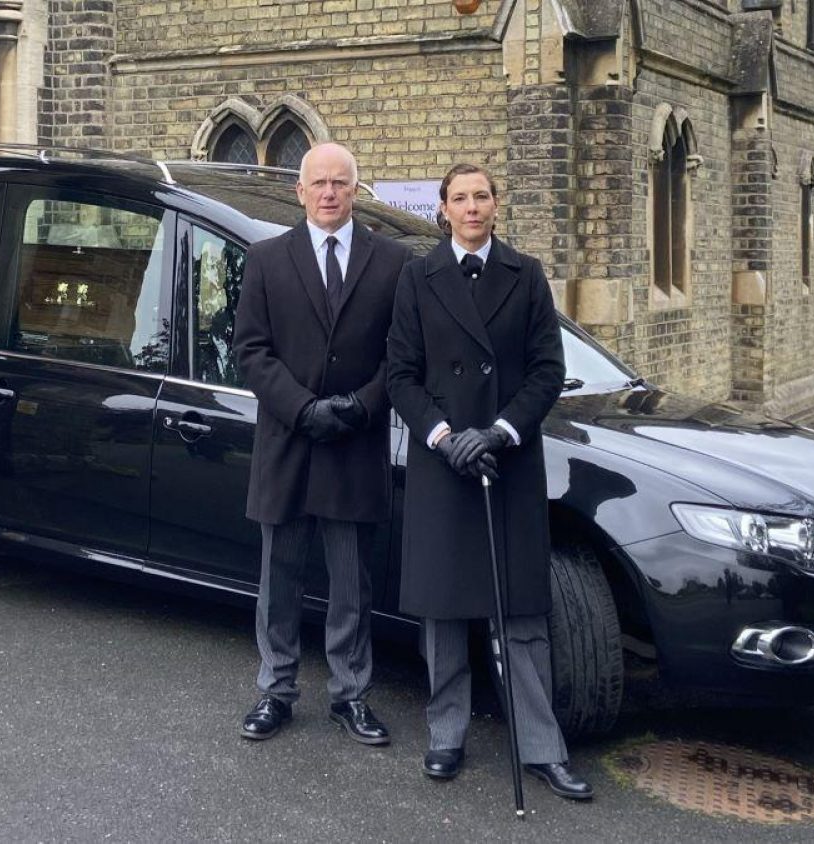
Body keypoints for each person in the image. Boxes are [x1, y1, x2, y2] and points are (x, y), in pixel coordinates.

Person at [385, 163, 593, 800]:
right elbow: (400, 375)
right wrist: (447, 436)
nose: (472, 208)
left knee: (520, 609)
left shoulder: (525, 275)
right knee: (443, 610)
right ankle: (446, 733)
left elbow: (546, 371)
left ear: (496, 206)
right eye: (460, 199)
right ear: (443, 209)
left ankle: (541, 745)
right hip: (443, 463)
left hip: (507, 462)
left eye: (482, 197)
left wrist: (499, 431)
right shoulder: (417, 277)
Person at [232, 142, 412, 745]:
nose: (330, 192)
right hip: (287, 441)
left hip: (355, 443)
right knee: (278, 578)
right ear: (299, 191)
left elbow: (400, 355)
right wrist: (302, 408)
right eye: (319, 183)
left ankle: (351, 695)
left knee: (351, 583)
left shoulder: (391, 263)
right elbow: (251, 352)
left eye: (341, 183)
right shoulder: (265, 259)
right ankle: (276, 690)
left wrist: (361, 406)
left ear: (356, 192)